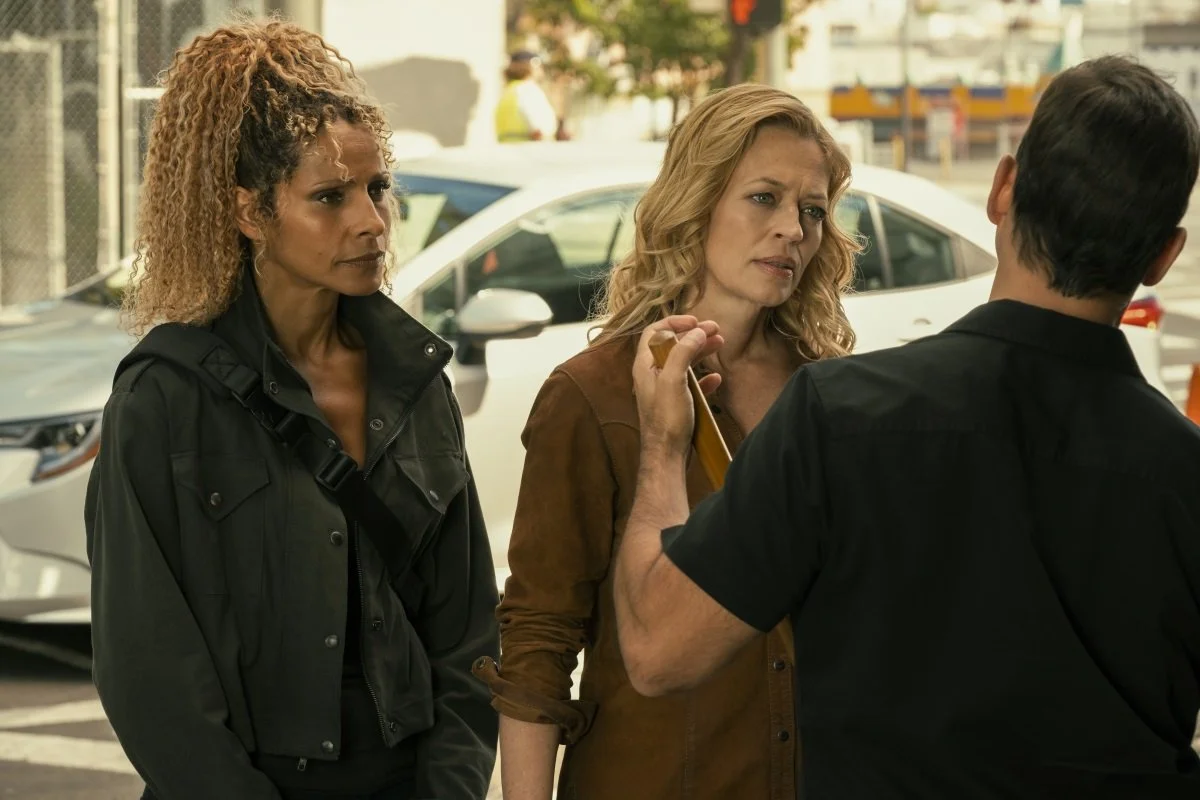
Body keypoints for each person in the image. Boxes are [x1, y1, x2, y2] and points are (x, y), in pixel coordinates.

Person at [615, 55, 1200, 799]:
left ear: (1003, 189)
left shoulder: (839, 417)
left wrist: (664, 445)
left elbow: (660, 650)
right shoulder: (1184, 477)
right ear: (1163, 256)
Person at [84, 19, 499, 800]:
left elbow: (469, 637)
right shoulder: (166, 398)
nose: (371, 221)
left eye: (377, 189)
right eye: (329, 198)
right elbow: (150, 677)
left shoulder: (416, 384)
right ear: (249, 213)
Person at [472, 84, 860, 798]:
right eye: (764, 198)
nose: (792, 230)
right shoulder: (592, 394)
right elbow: (538, 638)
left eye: (812, 210)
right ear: (697, 202)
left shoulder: (829, 394)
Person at [494, 50, 560, 143]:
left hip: (507, 148)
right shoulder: (528, 90)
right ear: (531, 66)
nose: (541, 69)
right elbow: (539, 128)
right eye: (539, 65)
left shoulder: (509, 91)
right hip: (529, 148)